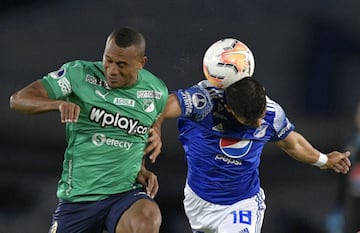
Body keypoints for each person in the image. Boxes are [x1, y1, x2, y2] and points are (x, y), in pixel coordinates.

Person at [9, 27, 168, 233]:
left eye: (121, 65)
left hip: (124, 195)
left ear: (141, 63)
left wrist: (142, 164)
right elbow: (18, 100)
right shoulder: (79, 74)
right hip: (78, 200)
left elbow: (147, 125)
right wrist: (56, 104)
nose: (112, 70)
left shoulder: (156, 91)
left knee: (147, 215)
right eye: (108, 60)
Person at [152, 76, 351, 233]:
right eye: (249, 121)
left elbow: (291, 143)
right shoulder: (204, 102)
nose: (258, 124)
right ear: (230, 108)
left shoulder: (272, 114)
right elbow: (164, 104)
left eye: (260, 116)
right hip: (198, 201)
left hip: (241, 204)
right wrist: (157, 129)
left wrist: (323, 160)